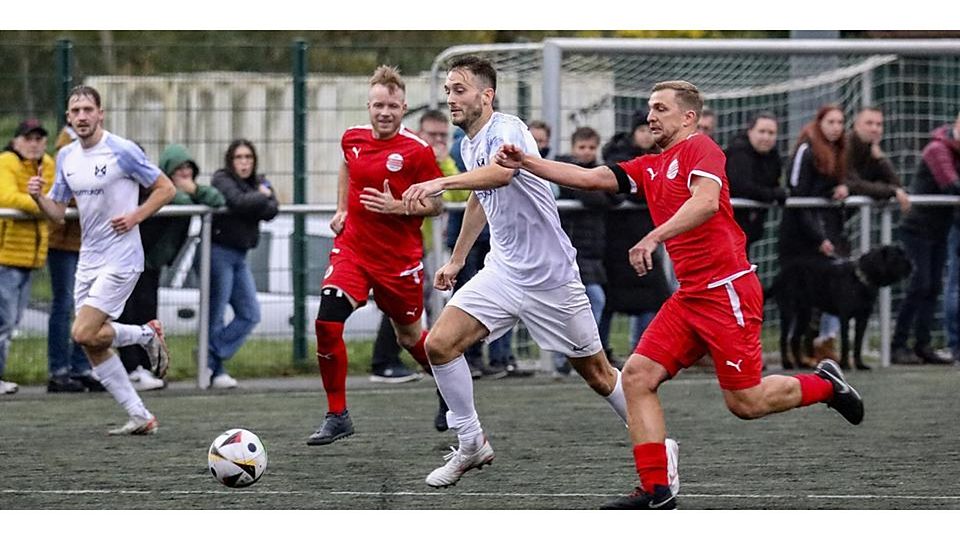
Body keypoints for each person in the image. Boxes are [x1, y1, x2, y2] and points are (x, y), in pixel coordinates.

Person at [497, 79, 864, 510]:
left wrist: (653, 237)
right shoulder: (652, 164)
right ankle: (656, 490)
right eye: (649, 108)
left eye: (660, 108)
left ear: (688, 117)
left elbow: (705, 202)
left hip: (727, 291)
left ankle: (824, 385)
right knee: (635, 377)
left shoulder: (701, 148)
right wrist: (527, 162)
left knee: (745, 403)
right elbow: (593, 177)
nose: (650, 116)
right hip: (691, 296)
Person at [401, 56, 678, 491]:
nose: (450, 98)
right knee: (438, 344)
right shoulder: (470, 142)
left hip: (552, 280)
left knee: (599, 375)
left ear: (486, 95)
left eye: (459, 90)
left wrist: (439, 183)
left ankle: (660, 447)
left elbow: (502, 175)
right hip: (504, 273)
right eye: (448, 90)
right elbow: (482, 196)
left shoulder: (506, 129)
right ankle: (471, 442)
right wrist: (456, 259)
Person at [307, 66, 445, 446]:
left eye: (393, 106)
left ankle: (447, 389)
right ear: (369, 106)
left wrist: (398, 206)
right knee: (327, 321)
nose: (385, 112)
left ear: (403, 109)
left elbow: (436, 205)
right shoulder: (352, 138)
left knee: (410, 338)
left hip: (398, 261)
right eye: (378, 105)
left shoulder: (417, 151)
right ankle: (337, 415)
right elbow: (348, 168)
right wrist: (342, 210)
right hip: (353, 250)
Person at [28, 85, 175, 434]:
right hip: (89, 258)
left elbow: (166, 188)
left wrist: (136, 216)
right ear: (68, 117)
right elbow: (57, 214)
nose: (81, 116)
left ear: (100, 113)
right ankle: (141, 416)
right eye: (75, 111)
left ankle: (143, 334)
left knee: (83, 331)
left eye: (87, 110)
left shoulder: (121, 150)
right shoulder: (66, 157)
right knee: (91, 342)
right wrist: (37, 197)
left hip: (122, 257)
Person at [118, 144, 225, 391]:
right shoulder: (156, 190)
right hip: (135, 259)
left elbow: (217, 199)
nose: (185, 172)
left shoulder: (182, 189)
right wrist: (186, 191)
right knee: (130, 314)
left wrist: (195, 189)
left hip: (152, 263)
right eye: (179, 168)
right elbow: (178, 198)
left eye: (189, 167)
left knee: (148, 314)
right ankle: (131, 368)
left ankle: (147, 368)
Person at [778, 104, 849, 366]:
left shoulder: (839, 151)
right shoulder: (806, 150)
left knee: (814, 301)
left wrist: (842, 188)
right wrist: (819, 238)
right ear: (819, 123)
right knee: (794, 301)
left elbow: (827, 190)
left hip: (819, 237)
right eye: (831, 122)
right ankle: (789, 352)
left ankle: (809, 349)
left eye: (840, 122)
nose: (836, 127)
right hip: (797, 239)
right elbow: (798, 197)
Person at [208, 139, 278, 389]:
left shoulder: (258, 181)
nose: (244, 162)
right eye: (239, 157)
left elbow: (272, 209)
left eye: (248, 157)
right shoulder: (221, 178)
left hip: (240, 254)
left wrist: (256, 200)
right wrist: (259, 197)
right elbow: (238, 202)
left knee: (250, 314)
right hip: (218, 252)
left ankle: (210, 356)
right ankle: (214, 370)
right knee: (214, 315)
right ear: (231, 160)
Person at [599, 109, 669, 360]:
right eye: (642, 130)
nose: (647, 136)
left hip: (644, 237)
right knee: (609, 299)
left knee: (654, 297)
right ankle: (600, 350)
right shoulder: (617, 158)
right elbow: (626, 187)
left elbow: (657, 186)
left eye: (651, 130)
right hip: (616, 241)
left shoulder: (659, 158)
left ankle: (643, 350)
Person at [892, 112, 960, 366]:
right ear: (956, 124)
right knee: (919, 285)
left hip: (940, 231)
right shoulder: (936, 149)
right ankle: (898, 344)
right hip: (917, 230)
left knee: (933, 287)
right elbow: (950, 184)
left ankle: (922, 344)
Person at [553, 126, 620, 375]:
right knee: (589, 301)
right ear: (572, 148)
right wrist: (599, 190)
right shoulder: (565, 171)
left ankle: (583, 355)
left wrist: (600, 188)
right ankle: (569, 356)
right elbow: (594, 196)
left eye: (591, 147)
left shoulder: (598, 171)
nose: (587, 152)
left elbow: (617, 195)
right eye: (582, 147)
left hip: (593, 252)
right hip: (571, 251)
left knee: (592, 303)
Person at [45, 125, 102, 393]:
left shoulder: (103, 148)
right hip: (63, 244)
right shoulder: (65, 153)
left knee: (89, 307)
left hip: (90, 245)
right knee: (64, 304)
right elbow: (63, 198)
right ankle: (59, 370)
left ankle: (82, 367)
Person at [0, 119, 55, 394]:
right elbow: (7, 197)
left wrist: (42, 202)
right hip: (5, 256)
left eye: (39, 138)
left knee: (12, 322)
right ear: (17, 140)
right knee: (3, 322)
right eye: (28, 138)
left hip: (30, 258)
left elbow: (58, 196)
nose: (34, 143)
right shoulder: (7, 161)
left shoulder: (47, 163)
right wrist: (41, 204)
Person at [725, 112, 787, 253]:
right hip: (728, 226)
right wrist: (773, 194)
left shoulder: (773, 156)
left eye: (771, 133)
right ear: (750, 131)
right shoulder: (739, 152)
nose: (766, 137)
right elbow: (741, 187)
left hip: (748, 228)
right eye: (762, 131)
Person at [845, 107, 911, 213]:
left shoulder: (873, 151)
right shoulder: (844, 146)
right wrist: (891, 191)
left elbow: (897, 186)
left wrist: (881, 159)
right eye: (869, 123)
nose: (875, 129)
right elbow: (854, 184)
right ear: (856, 126)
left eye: (879, 124)